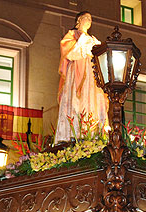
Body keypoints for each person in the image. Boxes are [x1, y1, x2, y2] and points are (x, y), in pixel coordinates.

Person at [55, 10, 108, 143]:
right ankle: (74, 133)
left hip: (93, 75)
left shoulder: (93, 40)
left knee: (95, 101)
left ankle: (95, 133)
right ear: (78, 20)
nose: (89, 21)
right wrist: (84, 41)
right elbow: (69, 53)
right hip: (77, 72)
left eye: (90, 19)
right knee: (76, 101)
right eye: (86, 18)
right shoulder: (72, 35)